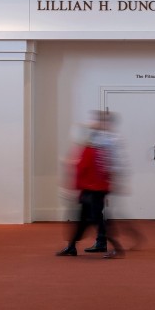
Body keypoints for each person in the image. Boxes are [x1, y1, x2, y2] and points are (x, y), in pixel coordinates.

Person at [56, 110, 124, 259]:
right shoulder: (99, 150)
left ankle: (116, 248)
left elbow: (81, 170)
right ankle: (71, 246)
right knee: (84, 219)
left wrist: (72, 188)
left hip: (92, 190)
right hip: (94, 189)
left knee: (94, 219)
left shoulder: (89, 150)